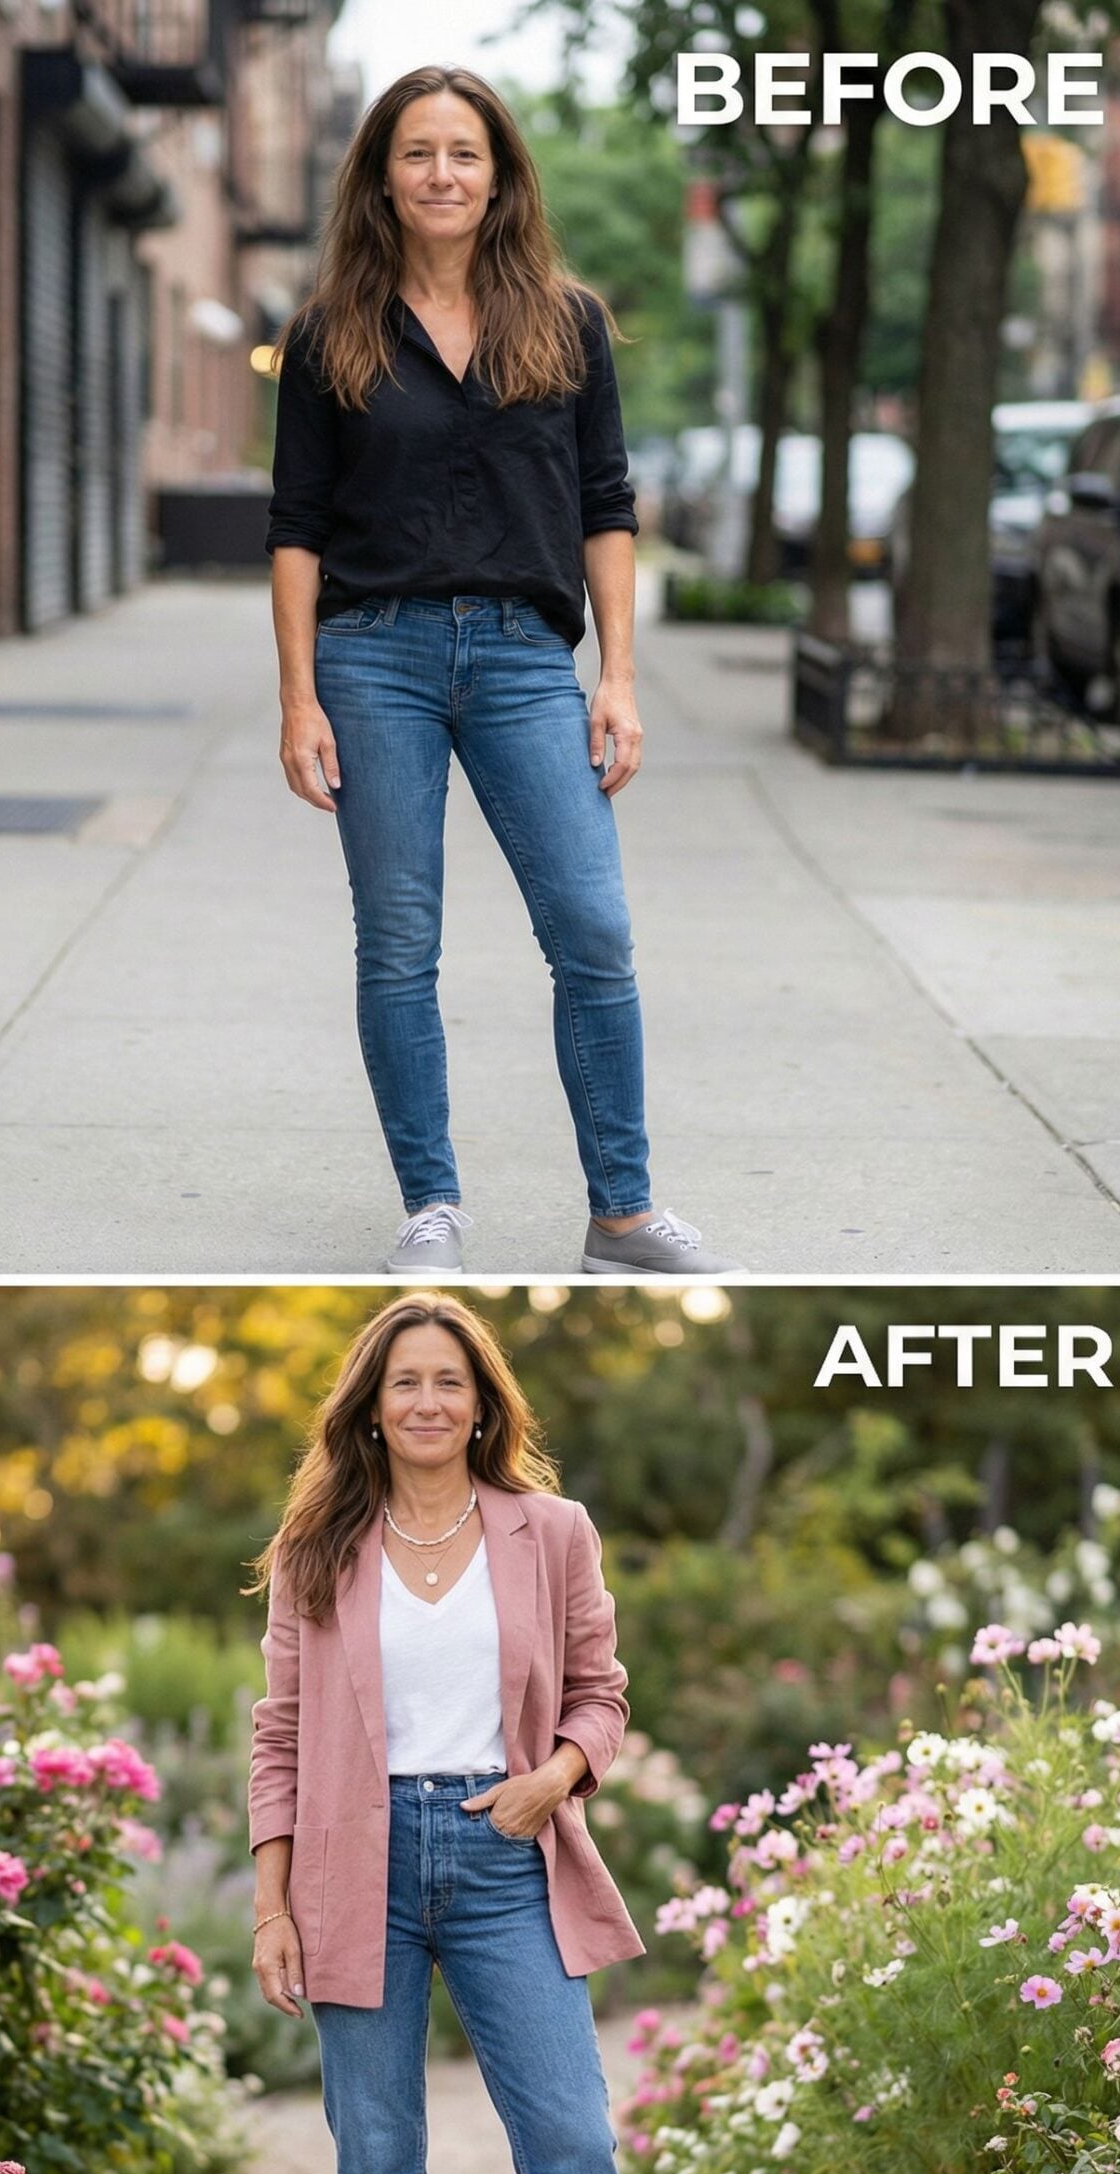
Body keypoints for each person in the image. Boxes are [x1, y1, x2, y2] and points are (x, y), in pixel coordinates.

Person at [266, 65, 738, 1282]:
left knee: (591, 927)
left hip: (529, 660)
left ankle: (620, 1211)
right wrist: (297, 698)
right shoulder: (331, 332)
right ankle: (431, 1205)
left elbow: (606, 506)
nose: (440, 174)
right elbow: (297, 525)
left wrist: (619, 677)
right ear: (381, 177)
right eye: (415, 153)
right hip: (373, 661)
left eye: (462, 153)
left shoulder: (567, 322)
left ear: (499, 174)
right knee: (397, 941)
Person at [246, 1293, 701, 2174]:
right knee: (378, 2168)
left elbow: (601, 1693)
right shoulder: (317, 1549)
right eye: (405, 1383)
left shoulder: (549, 1531)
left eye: (451, 1380)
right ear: (371, 1408)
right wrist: (271, 1902)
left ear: (483, 1401)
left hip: (507, 1857)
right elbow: (279, 1733)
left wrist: (553, 1778)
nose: (429, 1401)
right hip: (356, 1868)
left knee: (574, 2150)